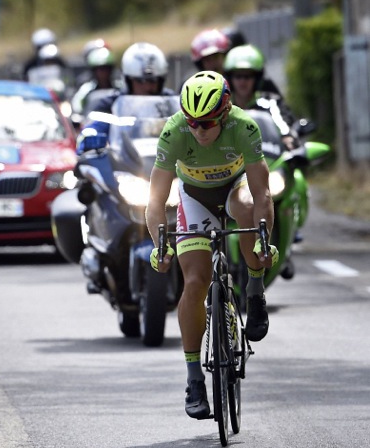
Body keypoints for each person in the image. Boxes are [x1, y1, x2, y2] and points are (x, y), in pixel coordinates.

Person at [145, 71, 277, 419]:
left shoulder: (244, 127)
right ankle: (193, 379)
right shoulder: (174, 131)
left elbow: (262, 193)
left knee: (248, 209)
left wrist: (265, 241)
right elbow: (156, 201)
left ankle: (254, 290)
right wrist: (160, 246)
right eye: (193, 123)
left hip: (235, 190)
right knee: (194, 282)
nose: (199, 131)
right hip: (194, 198)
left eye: (206, 123)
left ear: (225, 111)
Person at [77, 42, 174, 150]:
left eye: (153, 81)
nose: (147, 86)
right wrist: (90, 135)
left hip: (168, 162)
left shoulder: (172, 102)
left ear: (161, 81)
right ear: (128, 80)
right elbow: (93, 127)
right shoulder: (110, 104)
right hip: (125, 164)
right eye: (140, 81)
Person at [223, 44, 297, 150]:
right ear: (230, 79)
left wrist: (288, 138)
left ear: (257, 79)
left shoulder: (271, 102)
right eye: (238, 76)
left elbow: (283, 125)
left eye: (247, 76)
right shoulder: (223, 106)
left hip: (268, 159)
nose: (242, 81)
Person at [70, 46, 120, 123]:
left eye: (106, 68)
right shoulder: (86, 90)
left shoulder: (120, 88)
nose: (103, 73)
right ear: (93, 71)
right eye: (100, 69)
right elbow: (77, 107)